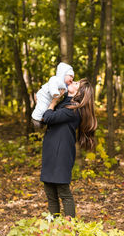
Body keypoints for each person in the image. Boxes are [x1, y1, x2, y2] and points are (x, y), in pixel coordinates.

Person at [40, 78, 97, 217]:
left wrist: (52, 103)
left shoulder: (73, 109)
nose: (73, 82)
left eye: (76, 84)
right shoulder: (65, 102)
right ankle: (54, 225)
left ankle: (70, 228)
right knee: (49, 189)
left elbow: (48, 118)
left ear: (79, 93)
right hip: (51, 151)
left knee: (63, 190)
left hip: (61, 154)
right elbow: (44, 117)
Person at [31, 62, 74, 128]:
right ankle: (35, 118)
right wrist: (55, 93)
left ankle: (41, 121)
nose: (72, 79)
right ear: (64, 74)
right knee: (42, 108)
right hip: (44, 95)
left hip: (49, 99)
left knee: (46, 110)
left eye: (73, 77)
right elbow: (52, 85)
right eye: (70, 76)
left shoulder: (65, 86)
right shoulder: (56, 79)